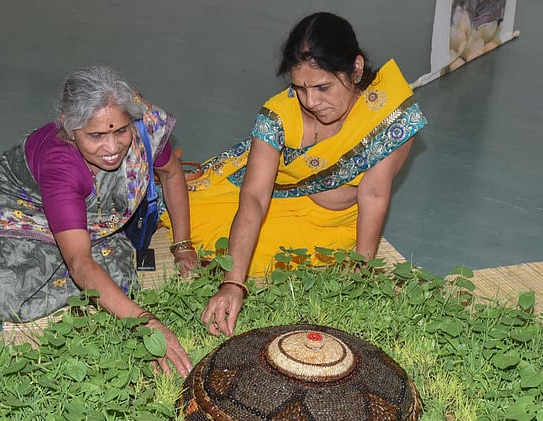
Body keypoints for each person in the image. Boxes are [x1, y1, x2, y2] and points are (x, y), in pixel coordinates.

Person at [0, 66, 194, 375]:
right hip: (21, 207)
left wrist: (183, 247)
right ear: (69, 129)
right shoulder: (61, 165)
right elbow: (80, 263)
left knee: (120, 276)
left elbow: (171, 174)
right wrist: (147, 325)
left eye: (121, 131)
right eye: (96, 136)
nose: (112, 148)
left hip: (84, 215)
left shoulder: (142, 126)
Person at [172, 12, 427, 337]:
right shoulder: (279, 114)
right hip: (282, 199)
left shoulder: (389, 113)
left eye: (323, 87)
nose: (311, 101)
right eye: (300, 89)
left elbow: (374, 193)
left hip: (341, 224)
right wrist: (233, 283)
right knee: (209, 231)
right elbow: (254, 197)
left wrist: (361, 273)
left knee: (271, 259)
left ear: (356, 68)